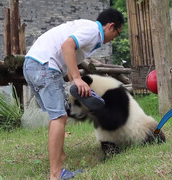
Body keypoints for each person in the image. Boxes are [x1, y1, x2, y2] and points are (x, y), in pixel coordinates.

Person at [23, 8, 124, 180]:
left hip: (33, 65)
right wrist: (77, 78)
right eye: (117, 34)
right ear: (111, 26)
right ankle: (55, 174)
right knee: (59, 117)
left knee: (57, 114)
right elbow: (67, 45)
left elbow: (67, 55)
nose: (114, 38)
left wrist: (74, 81)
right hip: (45, 66)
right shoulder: (93, 30)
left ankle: (60, 156)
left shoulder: (87, 31)